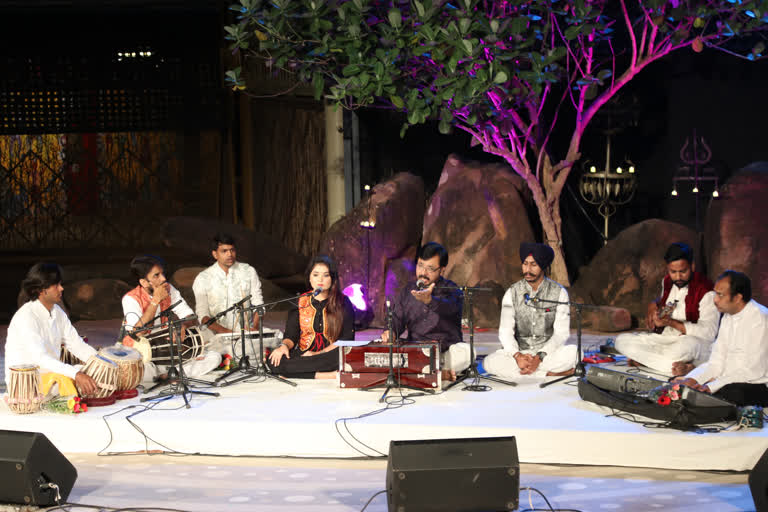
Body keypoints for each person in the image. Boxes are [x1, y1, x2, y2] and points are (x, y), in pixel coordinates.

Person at [614, 243, 719, 376]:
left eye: (683, 271)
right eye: (673, 272)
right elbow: (670, 304)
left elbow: (709, 333)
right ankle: (675, 366)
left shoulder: (707, 291)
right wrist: (658, 314)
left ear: (692, 266)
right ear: (667, 268)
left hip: (692, 343)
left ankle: (684, 367)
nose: (678, 277)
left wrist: (671, 323)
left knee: (684, 349)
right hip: (667, 340)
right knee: (621, 341)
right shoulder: (668, 281)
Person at [483, 242, 576, 378]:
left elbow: (560, 334)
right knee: (489, 362)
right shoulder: (512, 292)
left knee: (574, 353)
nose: (527, 269)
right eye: (525, 263)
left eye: (533, 265)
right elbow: (505, 332)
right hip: (520, 354)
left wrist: (539, 357)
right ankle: (548, 373)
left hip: (547, 354)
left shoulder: (559, 292)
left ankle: (529, 372)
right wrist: (517, 356)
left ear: (543, 266)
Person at [675, 270, 768, 406]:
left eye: (720, 295)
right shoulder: (728, 315)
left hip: (756, 384)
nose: (715, 300)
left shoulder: (760, 319)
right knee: (682, 383)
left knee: (729, 394)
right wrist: (692, 379)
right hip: (726, 379)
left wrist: (712, 386)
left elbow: (753, 371)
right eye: (715, 293)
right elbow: (716, 361)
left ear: (737, 298)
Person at [121, 255, 221, 380]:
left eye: (162, 273)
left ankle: (169, 375)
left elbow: (190, 317)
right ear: (144, 282)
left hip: (168, 350)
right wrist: (156, 300)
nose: (163, 279)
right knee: (141, 370)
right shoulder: (130, 299)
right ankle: (168, 374)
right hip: (143, 354)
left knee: (214, 357)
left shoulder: (169, 289)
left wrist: (181, 326)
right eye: (156, 276)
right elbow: (136, 332)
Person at [4, 263, 98, 395]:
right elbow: (40, 358)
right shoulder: (26, 316)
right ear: (41, 290)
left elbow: (76, 344)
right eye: (56, 285)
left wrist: (101, 362)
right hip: (28, 384)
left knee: (91, 372)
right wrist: (75, 374)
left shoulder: (57, 312)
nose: (61, 288)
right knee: (77, 378)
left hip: (51, 375)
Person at [381, 242, 470, 380]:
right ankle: (439, 374)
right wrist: (391, 332)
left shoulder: (452, 289)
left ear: (442, 270)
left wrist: (430, 301)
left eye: (430, 268)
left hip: (444, 353)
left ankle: (429, 372)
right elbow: (397, 319)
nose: (423, 272)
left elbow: (450, 308)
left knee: (467, 353)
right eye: (420, 265)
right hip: (416, 353)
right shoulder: (407, 291)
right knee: (385, 352)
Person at [266, 254, 354, 379]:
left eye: (326, 275)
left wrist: (317, 354)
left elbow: (347, 339)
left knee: (344, 356)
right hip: (305, 353)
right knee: (274, 360)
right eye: (316, 275)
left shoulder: (343, 302)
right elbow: (291, 335)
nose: (320, 280)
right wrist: (283, 347)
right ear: (309, 278)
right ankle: (326, 375)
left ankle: (297, 372)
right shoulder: (300, 301)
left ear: (332, 278)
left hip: (330, 354)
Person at [192, 233, 265, 352]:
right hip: (216, 335)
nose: (229, 254)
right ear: (215, 254)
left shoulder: (248, 271)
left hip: (246, 333)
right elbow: (203, 316)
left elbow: (259, 305)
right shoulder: (203, 278)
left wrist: (254, 327)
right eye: (224, 251)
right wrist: (227, 333)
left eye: (232, 250)